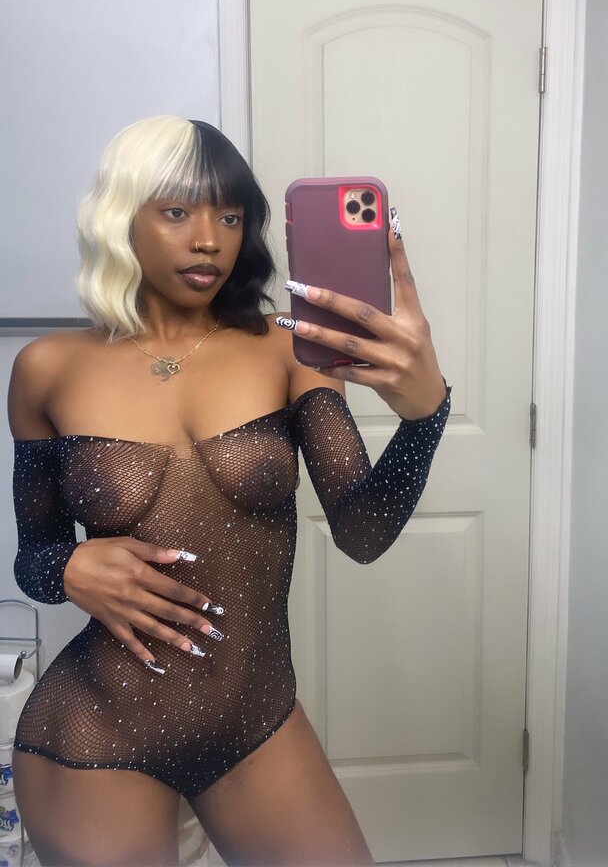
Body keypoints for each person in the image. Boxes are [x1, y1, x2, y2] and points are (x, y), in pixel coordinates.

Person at [8, 115, 451, 867]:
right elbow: (35, 559)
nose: (210, 239)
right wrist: (68, 567)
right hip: (96, 729)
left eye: (231, 215)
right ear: (121, 217)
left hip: (255, 720)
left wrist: (425, 416)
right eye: (176, 211)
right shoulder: (47, 367)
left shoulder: (288, 349)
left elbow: (362, 533)